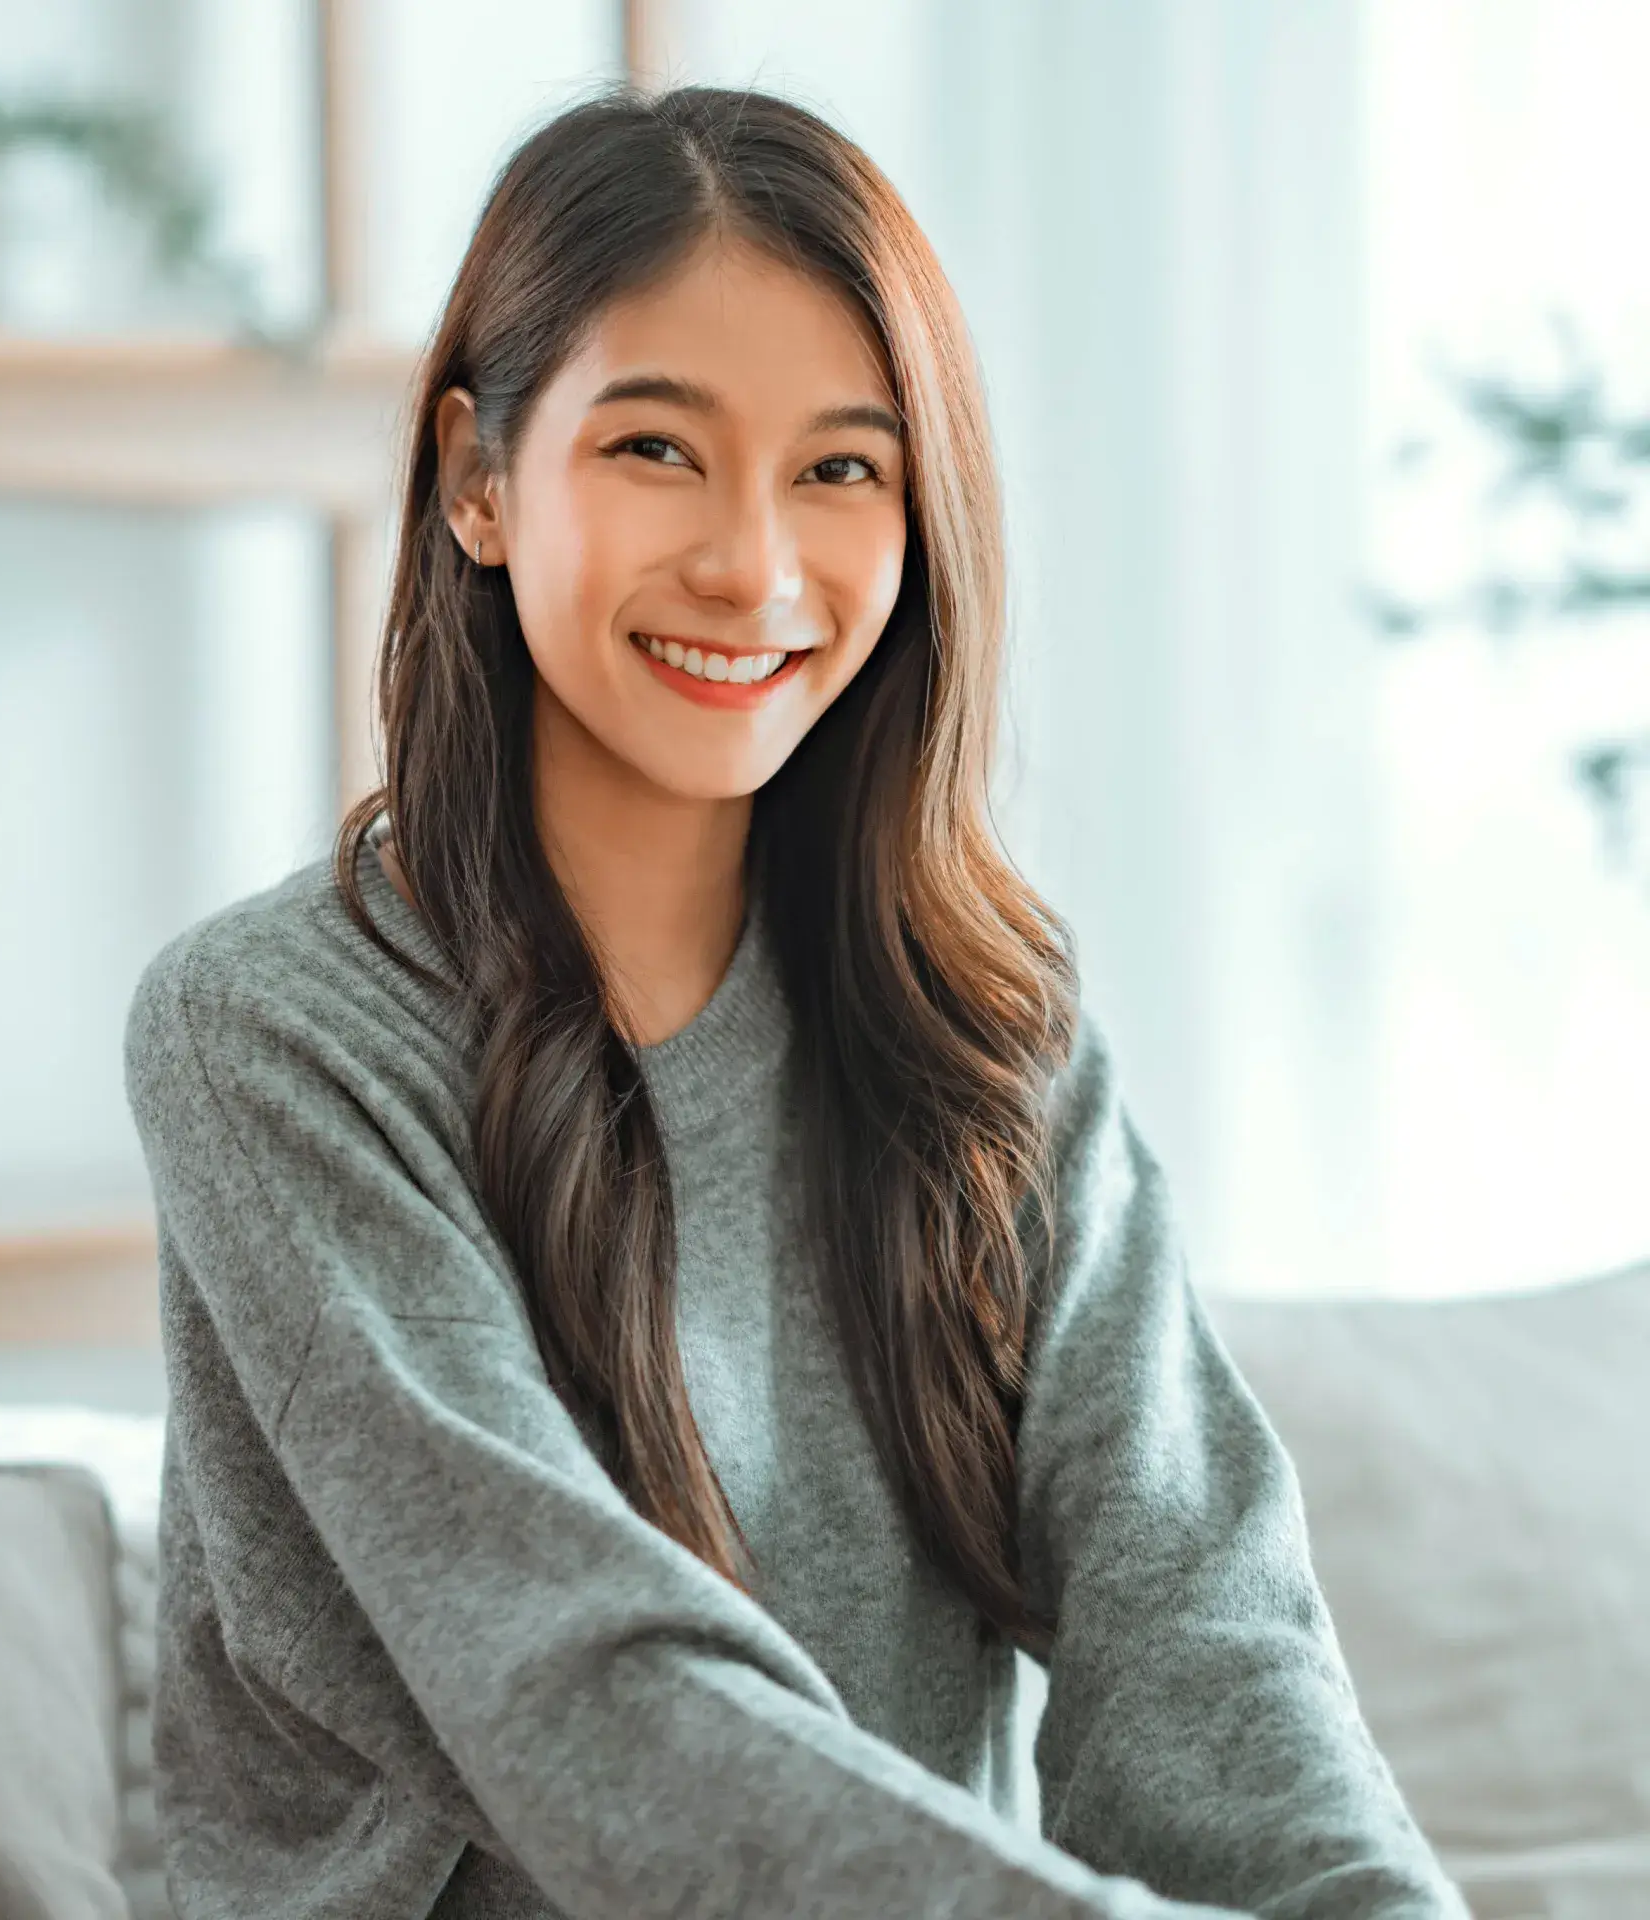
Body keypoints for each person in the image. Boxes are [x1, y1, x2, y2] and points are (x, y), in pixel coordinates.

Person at [123, 83, 1467, 1920]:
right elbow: (586, 1697)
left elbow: (1200, 1621)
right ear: (478, 481)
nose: (752, 566)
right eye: (657, 449)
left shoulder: (987, 1028)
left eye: (841, 471)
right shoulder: (273, 1033)